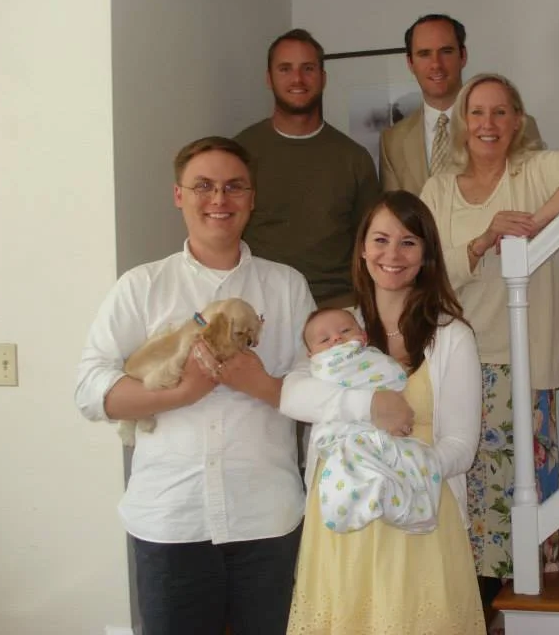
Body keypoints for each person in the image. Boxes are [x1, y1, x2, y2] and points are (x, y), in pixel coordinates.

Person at [75, 136, 315, 635]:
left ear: (252, 198)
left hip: (266, 519)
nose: (219, 199)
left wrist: (260, 384)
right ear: (178, 195)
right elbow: (91, 391)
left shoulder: (287, 286)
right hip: (171, 520)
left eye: (234, 187)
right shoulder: (142, 286)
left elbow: (315, 391)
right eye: (203, 186)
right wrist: (180, 393)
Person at [419, 73, 559, 589]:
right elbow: (424, 266)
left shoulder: (533, 171)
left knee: (518, 483)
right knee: (467, 485)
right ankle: (473, 595)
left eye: (500, 112)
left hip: (522, 358)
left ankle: (520, 593)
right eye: (477, 112)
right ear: (462, 123)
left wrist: (536, 223)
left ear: (518, 120)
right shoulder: (438, 189)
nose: (488, 123)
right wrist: (484, 240)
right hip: (456, 356)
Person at [281, 191, 486, 634]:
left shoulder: (452, 336)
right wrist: (370, 405)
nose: (392, 254)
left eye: (408, 242)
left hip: (420, 513)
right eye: (380, 240)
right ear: (362, 249)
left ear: (426, 254)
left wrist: (400, 469)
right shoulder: (334, 328)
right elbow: (293, 395)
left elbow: (461, 446)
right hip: (343, 517)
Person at [236, 28, 381, 309]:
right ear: (269, 78)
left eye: (308, 68)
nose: (297, 79)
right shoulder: (239, 153)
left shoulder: (354, 158)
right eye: (285, 69)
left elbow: (372, 244)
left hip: (338, 306)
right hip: (261, 305)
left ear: (323, 78)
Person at [302, 307, 443, 535]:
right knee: (354, 461)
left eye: (345, 331)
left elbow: (392, 377)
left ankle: (407, 506)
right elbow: (316, 398)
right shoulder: (317, 371)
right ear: (311, 356)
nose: (336, 339)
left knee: (416, 457)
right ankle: (368, 497)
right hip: (346, 434)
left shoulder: (375, 359)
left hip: (388, 434)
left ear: (363, 336)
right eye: (324, 339)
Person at [379, 14, 544, 195]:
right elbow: (394, 210)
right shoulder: (392, 142)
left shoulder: (516, 125)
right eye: (424, 54)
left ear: (463, 56)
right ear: (410, 63)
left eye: (446, 51)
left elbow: (534, 195)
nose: (436, 64)